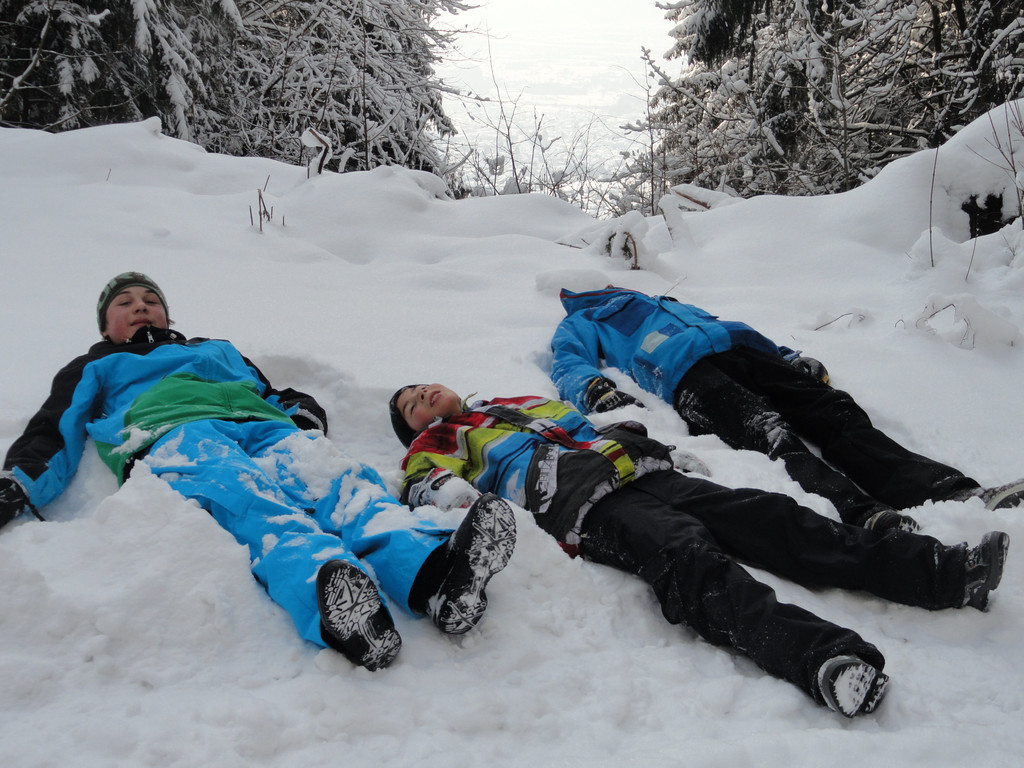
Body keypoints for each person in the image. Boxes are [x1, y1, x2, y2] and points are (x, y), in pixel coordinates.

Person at [388, 383, 1009, 717]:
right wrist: (451, 492)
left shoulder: (516, 401)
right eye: (409, 406)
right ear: (412, 427)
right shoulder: (432, 445)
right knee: (690, 561)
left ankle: (942, 573)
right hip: (586, 508)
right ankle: (824, 660)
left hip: (643, 471)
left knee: (774, 517)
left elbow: (588, 427)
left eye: (421, 389)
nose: (421, 398)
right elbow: (425, 486)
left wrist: (662, 450)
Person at [0, 273, 516, 671]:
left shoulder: (214, 349)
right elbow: (53, 429)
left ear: (167, 313)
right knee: (252, 506)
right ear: (105, 326)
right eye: (125, 303)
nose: (141, 307)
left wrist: (303, 416)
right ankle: (343, 612)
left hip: (264, 426)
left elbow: (273, 392)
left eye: (150, 300)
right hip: (174, 434)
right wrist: (19, 481)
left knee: (341, 486)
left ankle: (435, 579)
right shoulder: (95, 365)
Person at [550, 286, 1024, 532]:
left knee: (835, 412)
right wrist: (593, 388)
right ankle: (860, 513)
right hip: (685, 374)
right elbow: (568, 360)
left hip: (744, 350)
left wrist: (788, 356)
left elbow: (732, 327)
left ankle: (953, 493)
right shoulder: (587, 317)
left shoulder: (663, 301)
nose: (612, 289)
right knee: (767, 432)